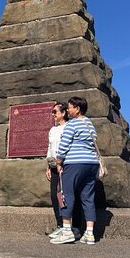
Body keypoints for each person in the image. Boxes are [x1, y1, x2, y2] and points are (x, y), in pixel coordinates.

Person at [50, 97, 100, 245]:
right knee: (88, 197)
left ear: (77, 109)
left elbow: (64, 145)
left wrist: (59, 162)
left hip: (74, 163)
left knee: (66, 195)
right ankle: (89, 233)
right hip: (91, 164)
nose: (69, 110)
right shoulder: (89, 123)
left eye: (70, 107)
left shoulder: (72, 125)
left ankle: (66, 231)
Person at [46, 103, 68, 239]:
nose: (53, 114)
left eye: (55, 112)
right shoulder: (52, 130)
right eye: (52, 112)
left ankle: (69, 226)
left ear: (64, 113)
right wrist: (47, 166)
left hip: (65, 165)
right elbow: (49, 147)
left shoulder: (68, 128)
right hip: (53, 166)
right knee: (54, 196)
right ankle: (60, 225)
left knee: (65, 196)